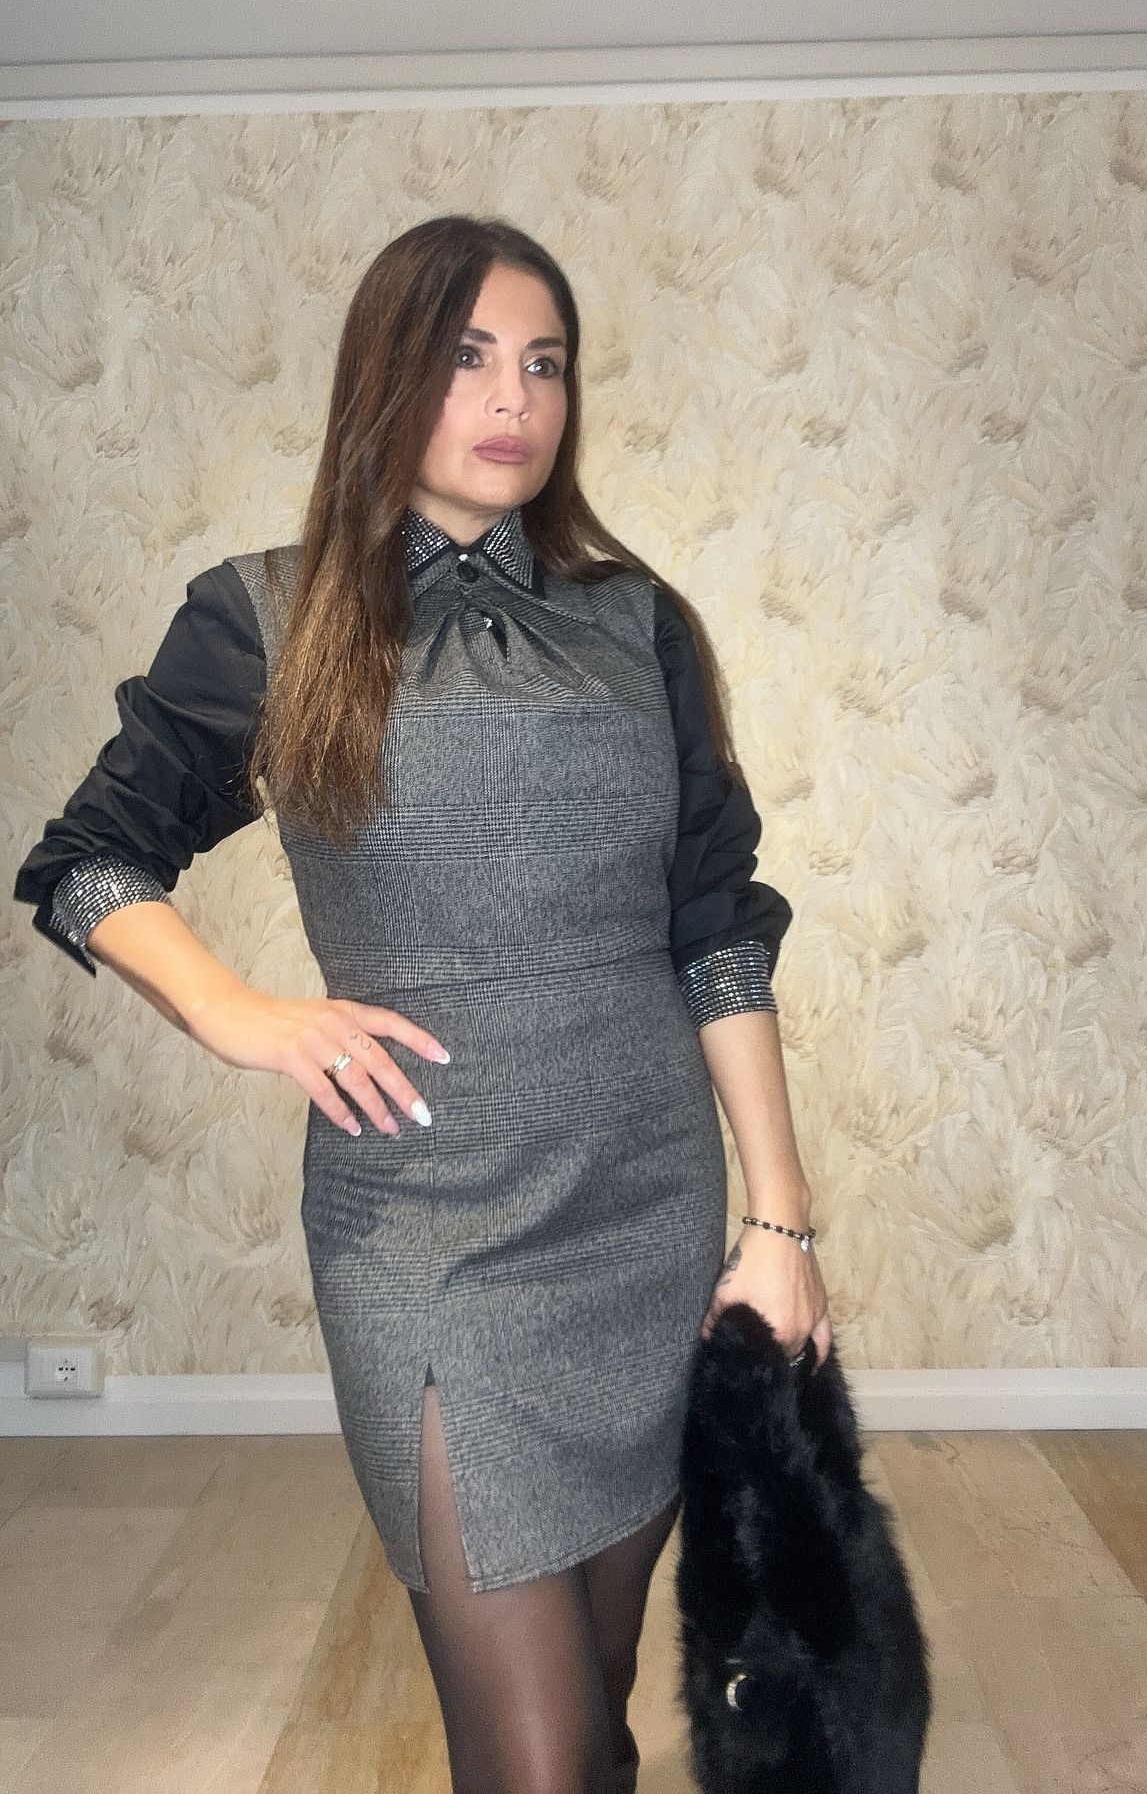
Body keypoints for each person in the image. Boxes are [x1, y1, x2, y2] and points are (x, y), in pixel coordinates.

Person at [14, 214, 831, 1794]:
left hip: (644, 1206)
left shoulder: (638, 623)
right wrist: (244, 1014)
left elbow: (718, 927)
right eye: (467, 358)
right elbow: (89, 860)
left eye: (546, 363)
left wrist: (779, 1223)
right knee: (537, 1757)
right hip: (422, 1235)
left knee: (596, 1721)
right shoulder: (267, 613)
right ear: (385, 375)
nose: (515, 399)